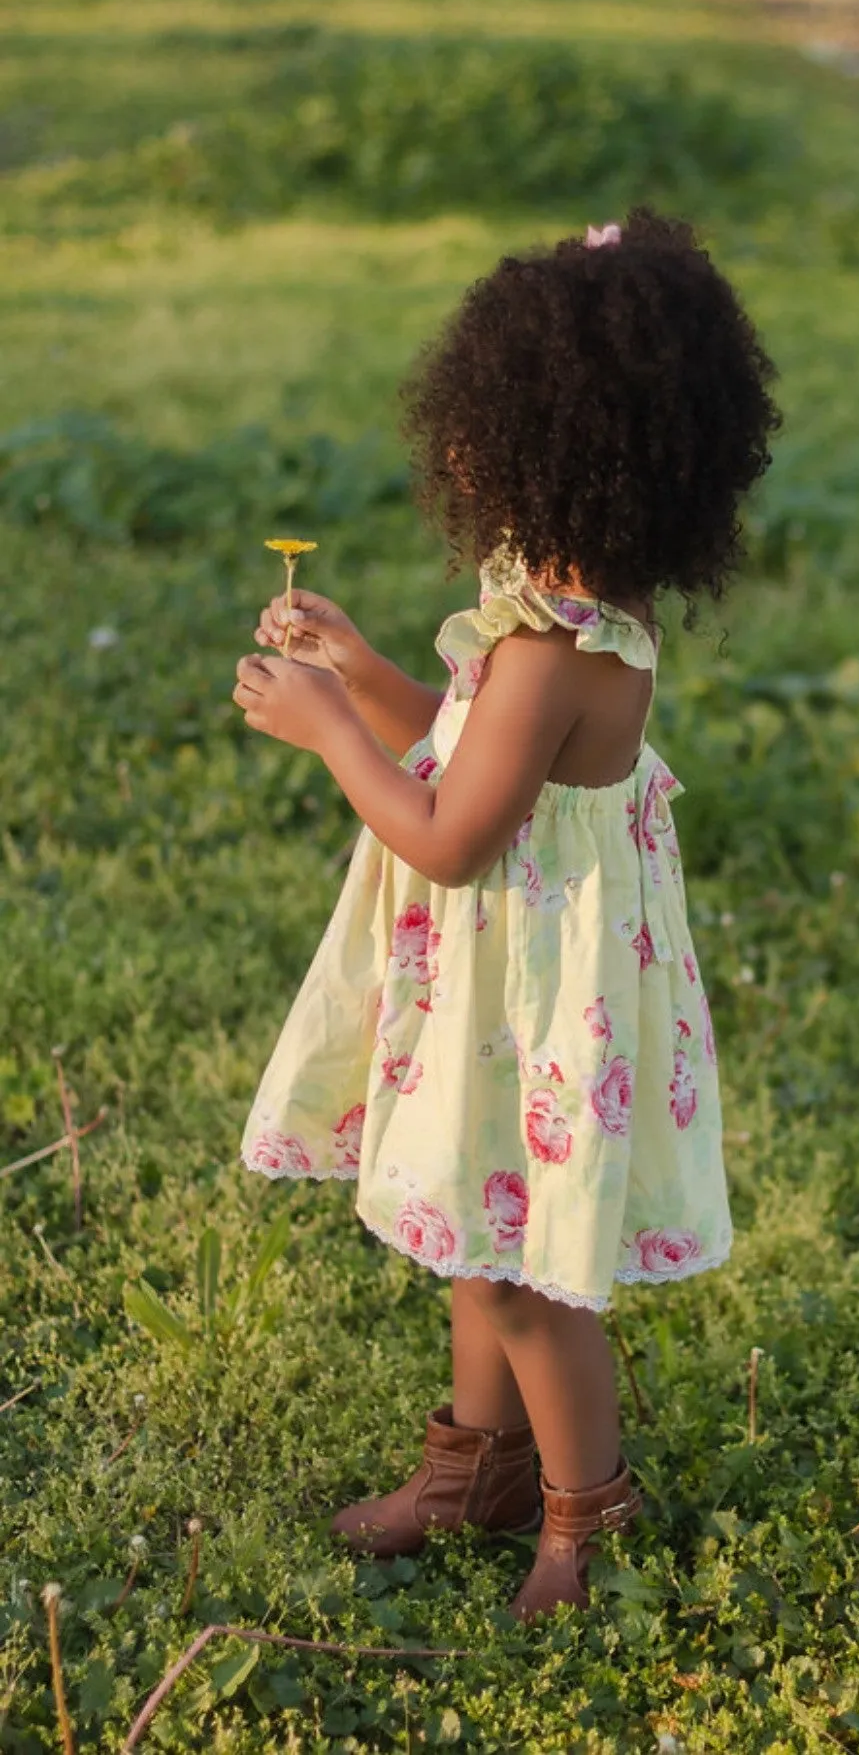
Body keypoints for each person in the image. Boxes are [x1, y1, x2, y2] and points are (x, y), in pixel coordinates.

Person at [233, 209, 779, 1619]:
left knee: (536, 1279)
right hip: (514, 985)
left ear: (554, 447)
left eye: (484, 429)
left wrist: (322, 736)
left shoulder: (550, 649)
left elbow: (451, 832)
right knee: (481, 1236)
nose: (459, 456)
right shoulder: (555, 620)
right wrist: (360, 672)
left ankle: (580, 1521)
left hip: (535, 992)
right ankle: (470, 1466)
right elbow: (472, 752)